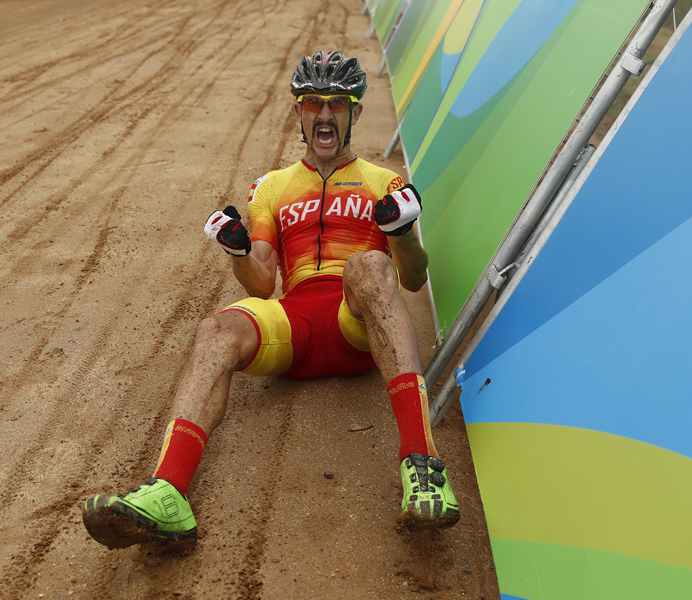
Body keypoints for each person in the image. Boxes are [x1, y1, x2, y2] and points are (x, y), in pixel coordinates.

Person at [81, 51, 460, 550]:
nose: (324, 114)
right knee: (215, 329)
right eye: (313, 103)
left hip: (355, 321)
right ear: (298, 112)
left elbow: (411, 280)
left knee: (368, 265)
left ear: (355, 113)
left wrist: (404, 235)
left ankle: (422, 465)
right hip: (294, 324)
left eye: (336, 104)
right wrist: (237, 251)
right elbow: (261, 284)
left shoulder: (383, 183)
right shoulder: (272, 188)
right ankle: (168, 492)